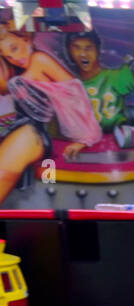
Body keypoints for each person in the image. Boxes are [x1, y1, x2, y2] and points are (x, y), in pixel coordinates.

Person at [0, 25, 100, 203]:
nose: (14, 58)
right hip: (24, 130)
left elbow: (76, 96)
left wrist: (84, 138)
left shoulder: (40, 59)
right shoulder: (21, 69)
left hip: (34, 133)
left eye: (14, 48)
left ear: (26, 39)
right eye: (8, 56)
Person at [65, 19, 134, 138]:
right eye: (77, 48)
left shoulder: (112, 77)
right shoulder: (68, 84)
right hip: (85, 147)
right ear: (69, 51)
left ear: (97, 50)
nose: (83, 54)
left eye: (88, 48)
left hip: (116, 142)